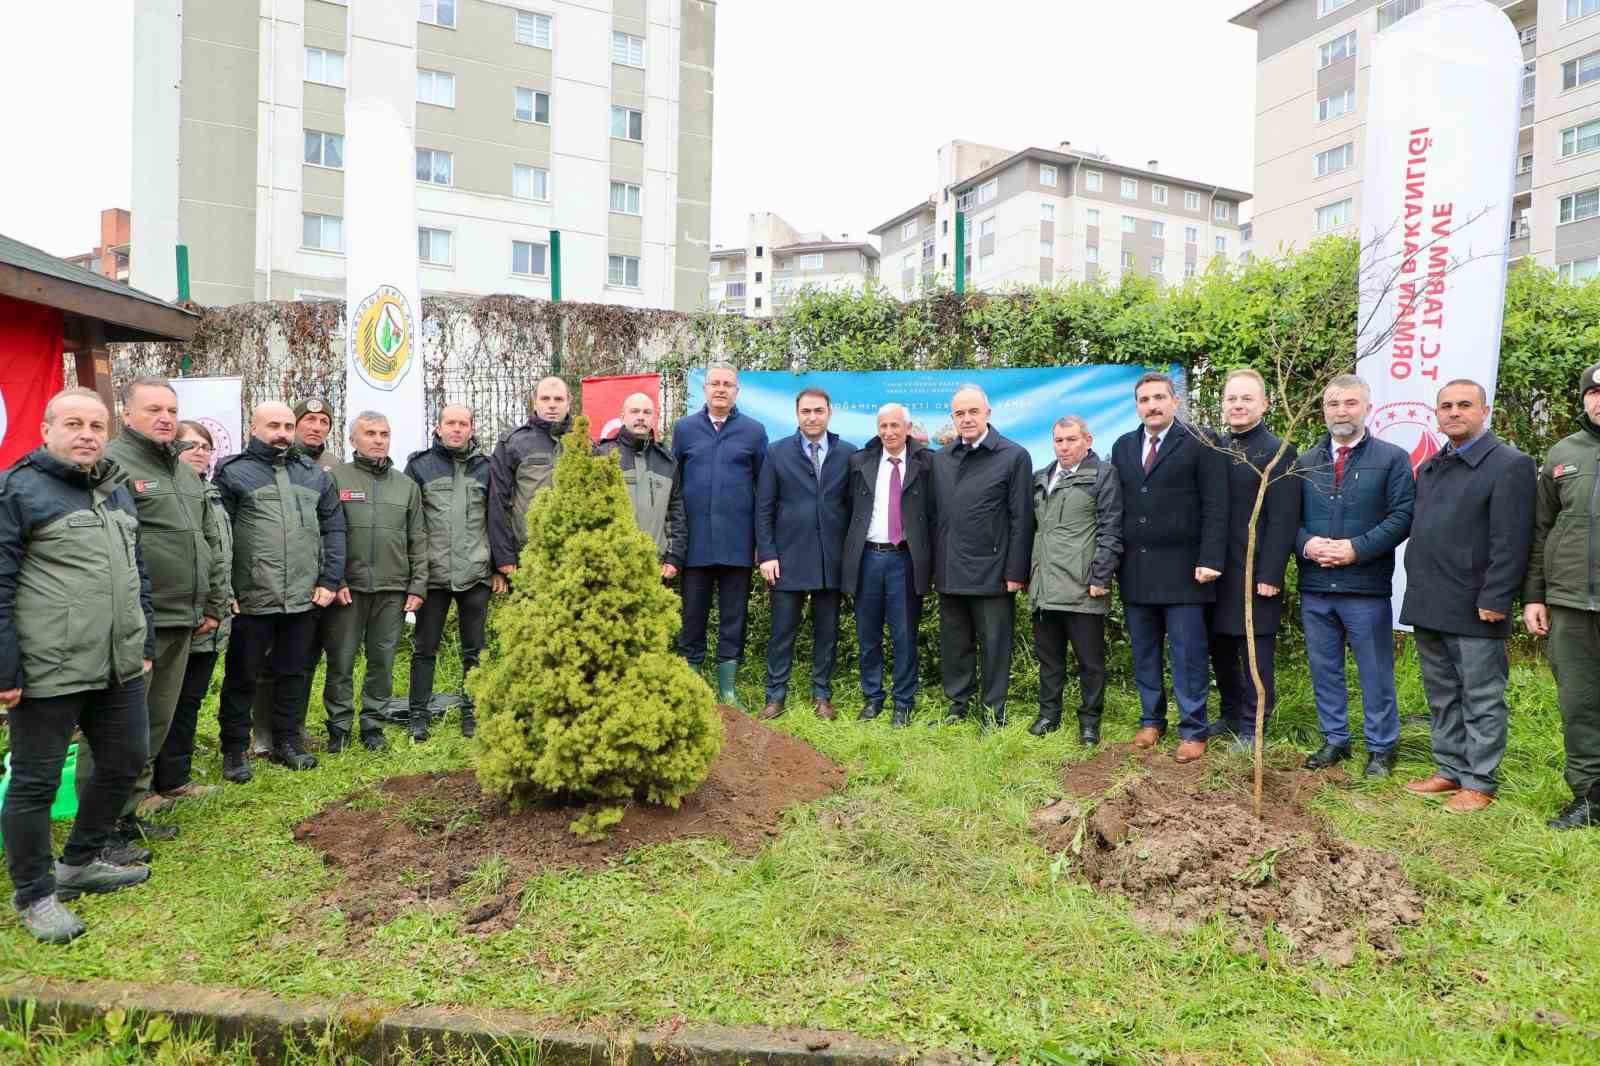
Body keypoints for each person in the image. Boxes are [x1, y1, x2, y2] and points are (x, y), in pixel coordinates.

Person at [0, 387, 155, 944]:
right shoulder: (19, 490)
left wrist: (144, 641)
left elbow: (137, 571)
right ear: (46, 430)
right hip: (49, 669)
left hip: (118, 664)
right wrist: (5, 669)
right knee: (35, 784)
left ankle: (81, 861)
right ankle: (36, 894)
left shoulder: (115, 489)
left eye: (95, 424)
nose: (87, 434)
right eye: (73, 423)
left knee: (125, 759)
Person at [75, 378, 229, 848]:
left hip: (182, 619)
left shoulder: (184, 473)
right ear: (127, 414)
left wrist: (212, 604)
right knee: (115, 727)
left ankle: (129, 813)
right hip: (134, 623)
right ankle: (97, 830)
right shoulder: (111, 465)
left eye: (171, 409)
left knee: (154, 723)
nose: (164, 417)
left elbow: (206, 541)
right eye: (153, 409)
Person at [1401, 379, 1536, 812]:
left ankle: (1479, 781)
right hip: (1430, 601)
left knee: (1480, 697)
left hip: (1477, 606)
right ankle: (1449, 769)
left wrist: (1497, 598)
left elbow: (1511, 541)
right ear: (1436, 414)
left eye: (1464, 405)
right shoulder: (1432, 466)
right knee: (1441, 695)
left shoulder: (1509, 464)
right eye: (1445, 406)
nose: (1454, 412)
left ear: (1485, 410)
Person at [214, 401, 346, 781]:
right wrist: (226, 590)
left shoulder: (313, 475)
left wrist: (328, 581)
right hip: (252, 597)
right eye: (274, 425)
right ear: (254, 427)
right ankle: (234, 750)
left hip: (303, 596)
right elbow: (219, 537)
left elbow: (334, 529)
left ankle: (288, 741)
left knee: (294, 672)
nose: (283, 433)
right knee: (243, 676)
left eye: (288, 425)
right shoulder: (234, 474)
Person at [1295, 374, 1415, 776]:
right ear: (1323, 410)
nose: (1341, 411)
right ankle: (1335, 741)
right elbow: (1286, 519)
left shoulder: (1392, 458)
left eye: (1350, 403)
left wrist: (1355, 549)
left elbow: (1402, 516)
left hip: (1365, 588)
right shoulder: (1305, 463)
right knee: (1324, 668)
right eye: (1333, 404)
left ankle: (1381, 748)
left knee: (1374, 670)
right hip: (1316, 586)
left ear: (1367, 408)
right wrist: (1307, 545)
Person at [1111, 371, 1228, 761]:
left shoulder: (1200, 442)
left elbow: (1216, 505)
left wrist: (1210, 559)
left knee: (1187, 654)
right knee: (1144, 652)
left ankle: (1193, 729)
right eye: (1145, 400)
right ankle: (1151, 721)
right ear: (1137, 405)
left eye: (1159, 397)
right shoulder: (1124, 446)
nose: (1152, 405)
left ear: (1174, 401)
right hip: (1137, 570)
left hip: (1186, 573)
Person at [322, 412, 427, 752]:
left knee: (381, 662)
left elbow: (418, 540)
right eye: (370, 433)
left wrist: (417, 585)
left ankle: (373, 726)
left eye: (384, 433)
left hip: (393, 589)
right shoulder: (335, 479)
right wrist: (334, 580)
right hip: (347, 591)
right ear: (353, 440)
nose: (379, 439)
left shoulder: (406, 486)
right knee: (341, 661)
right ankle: (339, 728)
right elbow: (325, 535)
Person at [1524, 361, 1600, 829]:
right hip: (1571, 604)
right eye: (1594, 393)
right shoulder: (1562, 454)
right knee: (1580, 702)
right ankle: (1589, 798)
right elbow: (1540, 531)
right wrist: (1534, 596)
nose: (1599, 401)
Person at [930, 384, 1033, 729]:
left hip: (993, 572)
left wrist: (1015, 571)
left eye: (973, 411)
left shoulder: (1013, 456)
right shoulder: (941, 459)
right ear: (952, 418)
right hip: (950, 570)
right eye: (960, 413)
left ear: (988, 413)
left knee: (994, 646)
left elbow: (1022, 519)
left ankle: (993, 714)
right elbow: (935, 517)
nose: (967, 419)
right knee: (955, 646)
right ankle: (958, 707)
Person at [1210, 369, 1299, 752]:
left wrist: (1272, 572)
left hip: (1255, 570)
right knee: (1221, 648)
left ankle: (1253, 725)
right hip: (1217, 569)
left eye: (1246, 398)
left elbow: (1283, 519)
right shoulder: (1215, 448)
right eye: (1231, 399)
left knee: (1254, 653)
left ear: (1264, 404)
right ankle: (1230, 714)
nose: (1238, 405)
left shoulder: (1278, 451)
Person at [754, 388, 856, 720]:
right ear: (797, 414)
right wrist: (767, 554)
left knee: (827, 632)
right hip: (786, 559)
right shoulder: (777, 452)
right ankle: (775, 695)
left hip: (831, 561)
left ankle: (821, 695)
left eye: (818, 411)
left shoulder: (847, 454)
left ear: (829, 413)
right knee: (782, 632)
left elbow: (853, 511)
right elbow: (764, 508)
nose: (812, 417)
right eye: (806, 411)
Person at [404, 404, 503, 741]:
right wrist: (415, 575)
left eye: (463, 424)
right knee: (424, 649)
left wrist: (497, 568)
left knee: (475, 649)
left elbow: (496, 521)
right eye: (451, 423)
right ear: (438, 427)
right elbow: (411, 524)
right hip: (433, 575)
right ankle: (418, 716)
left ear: (471, 429)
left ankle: (472, 714)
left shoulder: (487, 469)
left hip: (476, 574)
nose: (457, 429)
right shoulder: (420, 467)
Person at [672, 364, 768, 709]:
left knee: (733, 619)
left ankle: (728, 691)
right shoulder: (684, 430)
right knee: (692, 618)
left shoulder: (754, 433)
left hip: (737, 547)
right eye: (715, 383)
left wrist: (761, 544)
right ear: (705, 389)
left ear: (737, 392)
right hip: (694, 546)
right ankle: (692, 690)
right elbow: (675, 488)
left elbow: (764, 492)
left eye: (728, 384)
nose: (721, 389)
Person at [251, 395, 340, 755]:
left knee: (304, 659)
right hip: (270, 582)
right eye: (308, 421)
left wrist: (331, 578)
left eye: (324, 423)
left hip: (313, 582)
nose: (316, 428)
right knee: (266, 662)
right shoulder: (269, 464)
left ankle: (293, 728)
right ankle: (262, 734)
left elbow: (334, 526)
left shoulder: (331, 467)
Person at [1028, 415, 1122, 743]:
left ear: (1088, 440)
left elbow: (1111, 529)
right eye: (1058, 440)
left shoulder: (1103, 475)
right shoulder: (1041, 477)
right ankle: (1048, 715)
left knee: (1090, 662)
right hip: (1045, 586)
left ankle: (1089, 722)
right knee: (1049, 660)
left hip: (1083, 586)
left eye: (1071, 440)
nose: (1064, 447)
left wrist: (1101, 575)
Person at [841, 403, 936, 728]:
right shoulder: (860, 462)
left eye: (895, 426)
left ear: (907, 428)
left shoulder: (926, 463)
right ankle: (872, 697)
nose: (889, 432)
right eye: (883, 426)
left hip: (905, 560)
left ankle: (903, 702)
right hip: (867, 558)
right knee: (867, 633)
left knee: (903, 634)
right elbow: (846, 508)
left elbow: (935, 513)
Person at [153, 421, 231, 801]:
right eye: (192, 445)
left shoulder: (211, 493)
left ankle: (174, 777)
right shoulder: (167, 493)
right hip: (176, 618)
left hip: (210, 619)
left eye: (206, 446)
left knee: (187, 701)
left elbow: (218, 555)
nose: (200, 451)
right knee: (161, 704)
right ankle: (147, 783)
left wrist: (221, 601)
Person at [594, 392, 686, 583]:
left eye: (647, 412)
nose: (641, 417)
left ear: (654, 417)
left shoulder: (667, 462)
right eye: (634, 411)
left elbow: (676, 512)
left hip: (656, 567)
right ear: (622, 416)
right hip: (610, 568)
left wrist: (674, 556)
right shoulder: (601, 456)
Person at [489, 376, 572, 578]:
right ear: (534, 402)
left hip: (573, 555)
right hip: (527, 554)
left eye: (559, 399)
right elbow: (498, 501)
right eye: (545, 399)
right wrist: (504, 556)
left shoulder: (585, 445)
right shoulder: (512, 443)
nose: (552, 405)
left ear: (569, 403)